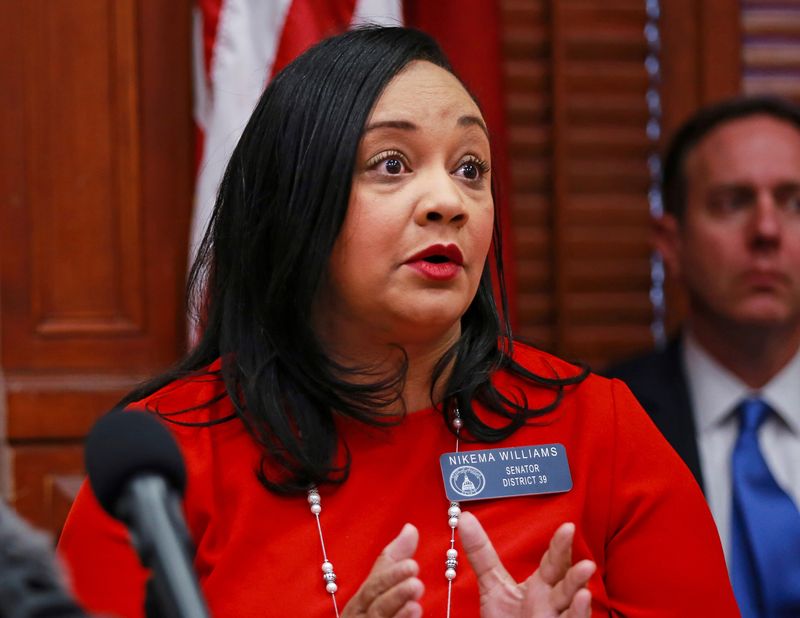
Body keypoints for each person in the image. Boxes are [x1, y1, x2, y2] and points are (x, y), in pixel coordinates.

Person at [58, 27, 737, 617]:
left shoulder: (598, 431)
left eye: (472, 169)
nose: (450, 201)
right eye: (392, 165)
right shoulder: (160, 469)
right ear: (299, 203)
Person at [606, 96, 800, 616]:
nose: (766, 231)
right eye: (732, 202)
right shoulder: (605, 424)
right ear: (670, 242)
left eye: (794, 202)